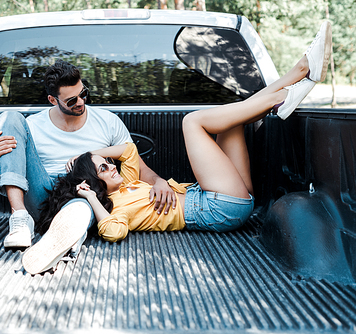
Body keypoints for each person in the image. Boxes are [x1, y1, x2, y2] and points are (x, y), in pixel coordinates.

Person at [25, 21, 332, 246]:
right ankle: (285, 94)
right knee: (192, 122)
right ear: (94, 184)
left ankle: (299, 73)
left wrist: (92, 155)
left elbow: (128, 151)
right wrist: (91, 196)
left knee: (232, 118)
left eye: (107, 163)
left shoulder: (128, 181)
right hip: (218, 208)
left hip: (232, 199)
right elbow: (114, 231)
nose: (110, 166)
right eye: (104, 169)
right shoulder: (114, 207)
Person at [0, 60, 176, 268]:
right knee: (9, 117)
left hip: (84, 196)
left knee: (84, 203)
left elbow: (138, 166)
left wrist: (159, 181)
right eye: (71, 101)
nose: (80, 102)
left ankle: (64, 237)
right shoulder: (33, 126)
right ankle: (21, 219)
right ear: (52, 100)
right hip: (42, 196)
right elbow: (7, 181)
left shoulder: (107, 122)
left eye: (83, 94)